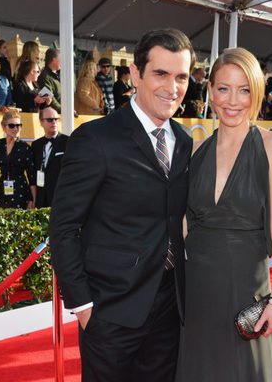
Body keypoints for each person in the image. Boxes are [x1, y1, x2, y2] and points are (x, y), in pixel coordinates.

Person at [50, 28, 195, 382]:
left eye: (181, 77)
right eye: (160, 74)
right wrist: (83, 306)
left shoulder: (184, 141)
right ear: (135, 73)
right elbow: (63, 226)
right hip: (110, 310)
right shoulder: (96, 138)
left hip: (168, 308)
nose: (172, 88)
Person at [176, 47, 272, 382]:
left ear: (256, 93)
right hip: (197, 293)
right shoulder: (196, 150)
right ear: (210, 90)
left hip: (247, 293)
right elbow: (184, 224)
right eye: (224, 88)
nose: (233, 100)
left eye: (244, 90)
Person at [0, 110, 36, 209]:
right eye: (12, 126)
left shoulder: (25, 147)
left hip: (21, 192)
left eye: (19, 125)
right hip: (3, 191)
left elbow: (31, 176)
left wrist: (33, 200)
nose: (16, 129)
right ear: (3, 127)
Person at [32, 107, 68, 208]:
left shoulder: (68, 142)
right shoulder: (36, 145)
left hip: (61, 198)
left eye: (56, 119)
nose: (54, 122)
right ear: (41, 122)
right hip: (41, 198)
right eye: (50, 120)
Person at [38, 48, 61, 113]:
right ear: (54, 60)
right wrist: (63, 110)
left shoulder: (58, 75)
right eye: (61, 59)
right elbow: (50, 97)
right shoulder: (45, 76)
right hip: (51, 115)